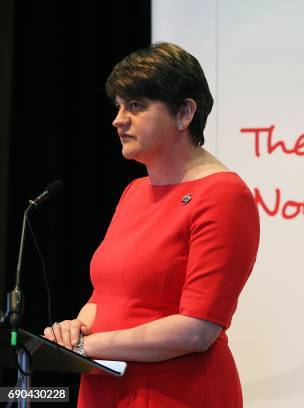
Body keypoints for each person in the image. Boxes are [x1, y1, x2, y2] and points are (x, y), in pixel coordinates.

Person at [42, 42, 260, 407]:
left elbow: (197, 330)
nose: (118, 119)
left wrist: (86, 347)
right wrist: (75, 329)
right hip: (104, 386)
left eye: (136, 106)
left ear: (184, 113)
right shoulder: (135, 192)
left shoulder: (223, 195)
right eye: (119, 106)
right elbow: (109, 294)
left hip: (175, 394)